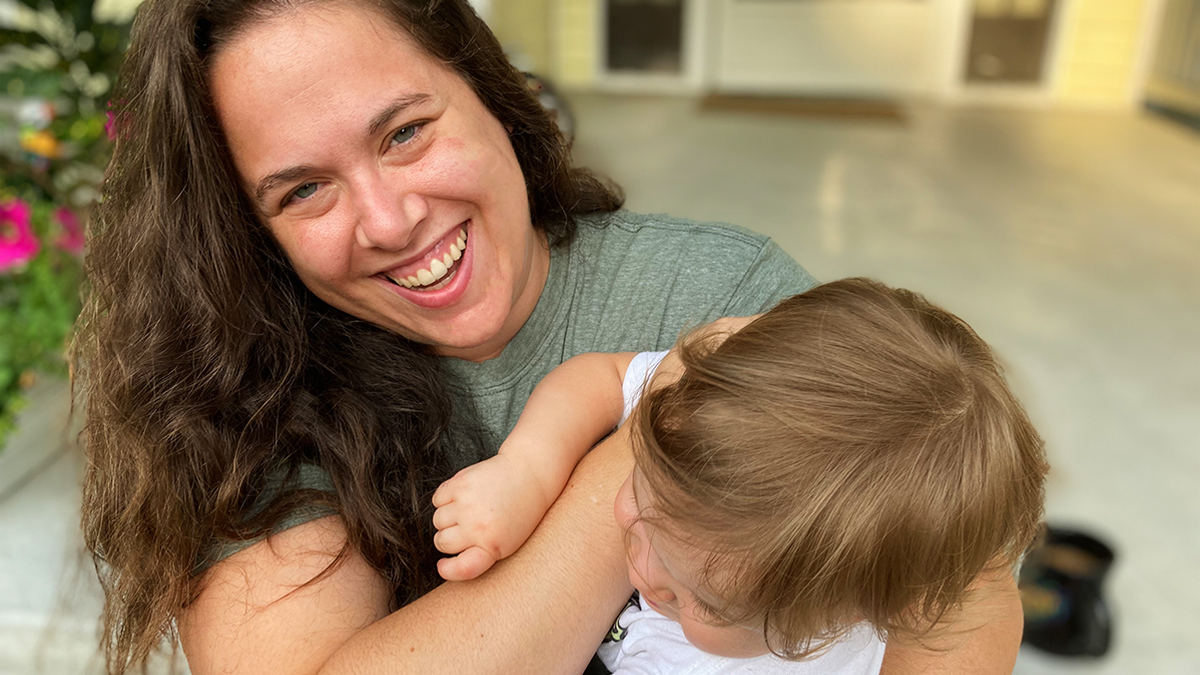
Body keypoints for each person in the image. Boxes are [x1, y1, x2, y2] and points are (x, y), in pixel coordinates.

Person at [73, 0, 1029, 673]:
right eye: (303, 189)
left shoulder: (719, 285)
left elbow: (956, 593)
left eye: (405, 131)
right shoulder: (244, 401)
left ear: (490, 88)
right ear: (252, 232)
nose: (390, 217)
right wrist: (652, 439)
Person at [433, 278, 1048, 674]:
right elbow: (599, 380)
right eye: (643, 494)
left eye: (702, 599)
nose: (643, 570)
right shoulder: (709, 407)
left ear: (845, 616)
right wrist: (528, 468)